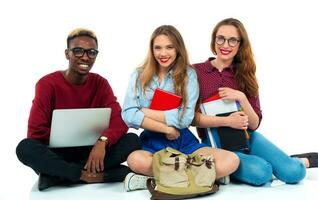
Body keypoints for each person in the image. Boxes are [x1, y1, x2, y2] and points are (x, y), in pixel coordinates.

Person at [193, 18, 318, 186]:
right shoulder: (196, 72)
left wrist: (241, 97)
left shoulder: (245, 74)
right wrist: (227, 121)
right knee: (262, 174)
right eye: (220, 38)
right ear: (214, 40)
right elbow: (189, 118)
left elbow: (254, 124)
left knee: (295, 173)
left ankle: (300, 161)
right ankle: (271, 164)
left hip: (247, 138)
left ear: (240, 44)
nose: (225, 45)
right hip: (216, 144)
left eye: (233, 40)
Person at [16, 28, 141, 191]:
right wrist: (60, 138)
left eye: (91, 52)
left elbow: (120, 119)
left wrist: (102, 142)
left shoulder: (100, 83)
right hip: (57, 153)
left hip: (92, 152)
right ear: (67, 54)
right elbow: (35, 132)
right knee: (25, 148)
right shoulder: (47, 84)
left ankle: (57, 176)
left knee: (132, 140)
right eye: (78, 51)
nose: (85, 57)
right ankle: (92, 175)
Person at [121, 25, 239, 192]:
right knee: (134, 159)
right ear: (152, 49)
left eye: (169, 47)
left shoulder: (188, 74)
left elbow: (185, 118)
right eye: (158, 48)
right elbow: (128, 114)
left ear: (178, 49)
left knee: (231, 160)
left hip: (184, 141)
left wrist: (145, 112)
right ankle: (204, 174)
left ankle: (157, 180)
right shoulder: (139, 75)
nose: (163, 53)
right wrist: (166, 128)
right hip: (153, 141)